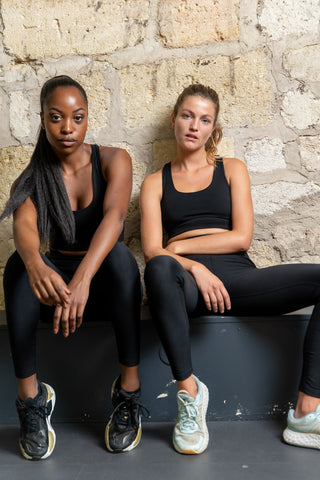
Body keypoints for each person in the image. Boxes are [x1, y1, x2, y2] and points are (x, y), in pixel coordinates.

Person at [140, 83, 320, 455]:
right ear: (174, 120)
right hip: (186, 284)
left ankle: (307, 410)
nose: (194, 125)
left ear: (213, 129)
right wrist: (194, 268)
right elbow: (153, 251)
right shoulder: (155, 183)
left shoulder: (232, 169)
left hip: (238, 279)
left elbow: (241, 238)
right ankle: (189, 394)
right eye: (188, 115)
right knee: (158, 268)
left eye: (205, 120)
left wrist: (182, 246)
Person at [1, 75, 145, 460]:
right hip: (57, 295)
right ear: (43, 120)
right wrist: (36, 265)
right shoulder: (33, 177)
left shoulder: (114, 159)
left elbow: (114, 218)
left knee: (120, 259)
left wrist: (82, 280)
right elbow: (25, 229)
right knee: (17, 265)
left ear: (87, 118)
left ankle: (128, 392)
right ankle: (30, 400)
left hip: (98, 288)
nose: (67, 128)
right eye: (56, 118)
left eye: (77, 117)